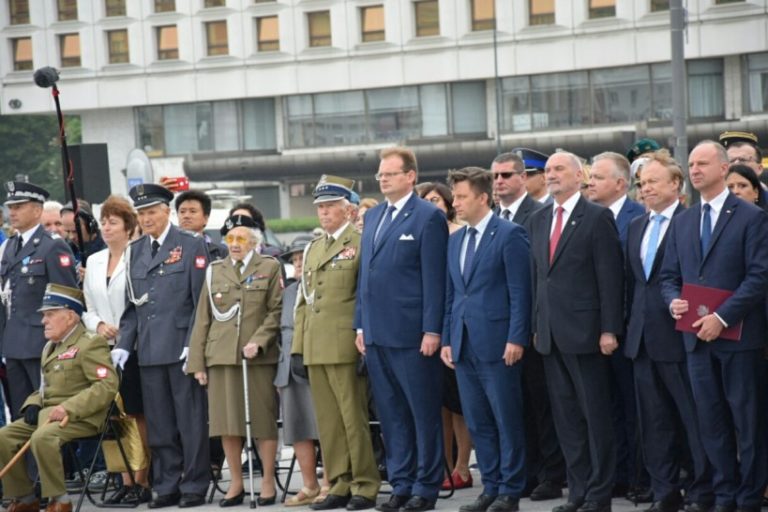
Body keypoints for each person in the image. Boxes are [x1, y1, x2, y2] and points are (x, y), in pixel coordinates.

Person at [660, 140, 768, 512]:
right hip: (696, 340)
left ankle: (749, 496)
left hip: (739, 338)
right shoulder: (684, 221)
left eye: (702, 163)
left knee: (746, 421)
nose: (694, 170)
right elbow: (669, 276)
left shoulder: (751, 217)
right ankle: (724, 493)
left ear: (723, 168)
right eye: (691, 164)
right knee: (711, 421)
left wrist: (721, 317)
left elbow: (758, 276)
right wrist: (672, 300)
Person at [528, 151, 624, 512]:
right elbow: (538, 278)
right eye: (548, 170)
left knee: (595, 417)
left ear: (579, 175)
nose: (551, 175)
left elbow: (610, 278)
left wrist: (609, 329)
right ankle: (578, 492)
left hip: (587, 334)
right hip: (550, 335)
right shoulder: (539, 219)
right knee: (567, 420)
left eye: (559, 169)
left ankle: (599, 494)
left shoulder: (596, 217)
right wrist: (537, 325)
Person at [355, 147, 448, 512]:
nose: (383, 179)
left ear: (410, 176)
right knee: (392, 415)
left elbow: (434, 279)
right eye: (380, 174)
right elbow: (366, 275)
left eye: (390, 173)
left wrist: (432, 329)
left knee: (422, 414)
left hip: (412, 335)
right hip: (376, 333)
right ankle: (402, 482)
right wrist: (360, 324)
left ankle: (426, 486)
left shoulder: (428, 216)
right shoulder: (374, 215)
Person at [624, 151, 713, 512]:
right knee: (654, 421)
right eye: (642, 183)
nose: (645, 189)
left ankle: (701, 490)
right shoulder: (636, 226)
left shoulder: (690, 221)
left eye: (653, 182)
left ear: (676, 184)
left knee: (692, 418)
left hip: (680, 336)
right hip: (642, 340)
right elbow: (634, 283)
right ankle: (665, 492)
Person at [113, 183, 210, 509]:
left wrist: (194, 343)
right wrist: (124, 344)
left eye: (152, 212)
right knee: (159, 423)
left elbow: (201, 302)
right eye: (142, 213)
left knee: (190, 421)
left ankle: (194, 484)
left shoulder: (190, 244)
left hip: (181, 347)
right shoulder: (135, 250)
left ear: (167, 211)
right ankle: (167, 484)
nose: (147, 218)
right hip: (150, 348)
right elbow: (132, 306)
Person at [442, 167, 531, 512]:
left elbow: (520, 292)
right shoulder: (455, 240)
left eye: (462, 197)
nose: (455, 203)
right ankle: (490, 487)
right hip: (463, 344)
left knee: (506, 419)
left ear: (483, 198)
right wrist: (448, 338)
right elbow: (452, 294)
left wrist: (516, 338)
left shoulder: (510, 235)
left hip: (498, 343)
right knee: (478, 421)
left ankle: (511, 489)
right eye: (454, 197)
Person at [292, 175, 381, 511]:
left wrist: (364, 337)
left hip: (345, 343)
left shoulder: (361, 242)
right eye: (320, 207)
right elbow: (304, 302)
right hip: (315, 344)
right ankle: (340, 483)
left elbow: (366, 296)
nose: (324, 212)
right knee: (328, 422)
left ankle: (365, 484)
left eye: (331, 206)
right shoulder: (314, 248)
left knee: (352, 419)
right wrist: (298, 348)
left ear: (349, 210)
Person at [187, 214, 282, 507]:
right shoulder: (215, 270)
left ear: (254, 242)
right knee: (226, 423)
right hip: (221, 356)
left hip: (256, 357)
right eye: (230, 239)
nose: (235, 244)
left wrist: (260, 340)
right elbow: (203, 317)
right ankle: (236, 482)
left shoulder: (269, 267)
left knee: (262, 420)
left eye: (241, 239)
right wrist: (197, 362)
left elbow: (276, 310)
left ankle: (267, 480)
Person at [0, 283, 119, 512]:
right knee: (4, 436)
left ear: (71, 316)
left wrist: (68, 408)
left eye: (50, 314)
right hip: (48, 414)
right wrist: (33, 404)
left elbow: (106, 385)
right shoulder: (50, 347)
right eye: (44, 315)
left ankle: (59, 499)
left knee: (43, 437)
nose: (44, 321)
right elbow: (45, 387)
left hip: (81, 416)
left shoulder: (90, 343)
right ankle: (25, 498)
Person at [491, 152, 564, 501]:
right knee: (513, 407)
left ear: (524, 178)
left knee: (540, 404)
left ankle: (550, 474)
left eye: (507, 175)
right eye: (495, 176)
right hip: (498, 328)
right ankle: (523, 472)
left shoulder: (539, 214)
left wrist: (530, 326)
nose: (499, 181)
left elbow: (537, 277)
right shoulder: (492, 218)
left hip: (532, 326)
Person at [81, 196, 150, 505]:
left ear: (128, 227)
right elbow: (87, 306)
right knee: (114, 417)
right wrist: (97, 325)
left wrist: (124, 330)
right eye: (104, 222)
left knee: (136, 413)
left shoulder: (139, 257)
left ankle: (142, 479)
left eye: (113, 222)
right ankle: (124, 478)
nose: (107, 228)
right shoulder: (95, 260)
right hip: (103, 348)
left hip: (133, 347)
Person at [586, 151, 647, 500]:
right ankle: (617, 475)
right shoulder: (590, 217)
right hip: (596, 329)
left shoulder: (637, 217)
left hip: (629, 327)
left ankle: (639, 476)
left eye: (598, 177)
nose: (590, 182)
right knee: (606, 407)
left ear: (621, 184)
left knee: (633, 407)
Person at [0, 181, 78, 419]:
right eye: (10, 207)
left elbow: (67, 299)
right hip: (12, 344)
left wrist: (61, 344)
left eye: (19, 206)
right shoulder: (9, 246)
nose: (12, 212)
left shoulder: (52, 246)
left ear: (36, 210)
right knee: (21, 417)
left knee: (46, 415)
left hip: (42, 345)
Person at [417, 181, 471, 491]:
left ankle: (463, 465)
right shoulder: (422, 232)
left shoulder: (457, 233)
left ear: (449, 204)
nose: (431, 204)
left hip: (453, 322)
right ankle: (445, 466)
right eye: (426, 200)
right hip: (427, 324)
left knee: (458, 402)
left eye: (436, 199)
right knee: (439, 405)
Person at [276, 235, 329, 507]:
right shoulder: (288, 292)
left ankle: (330, 481)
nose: (298, 263)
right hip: (288, 366)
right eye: (294, 259)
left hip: (314, 361)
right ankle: (309, 484)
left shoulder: (321, 286)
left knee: (325, 426)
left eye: (302, 257)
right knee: (297, 427)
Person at [174, 190, 228, 261]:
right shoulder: (168, 250)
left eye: (193, 211)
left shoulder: (221, 253)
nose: (186, 216)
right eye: (182, 211)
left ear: (205, 218)